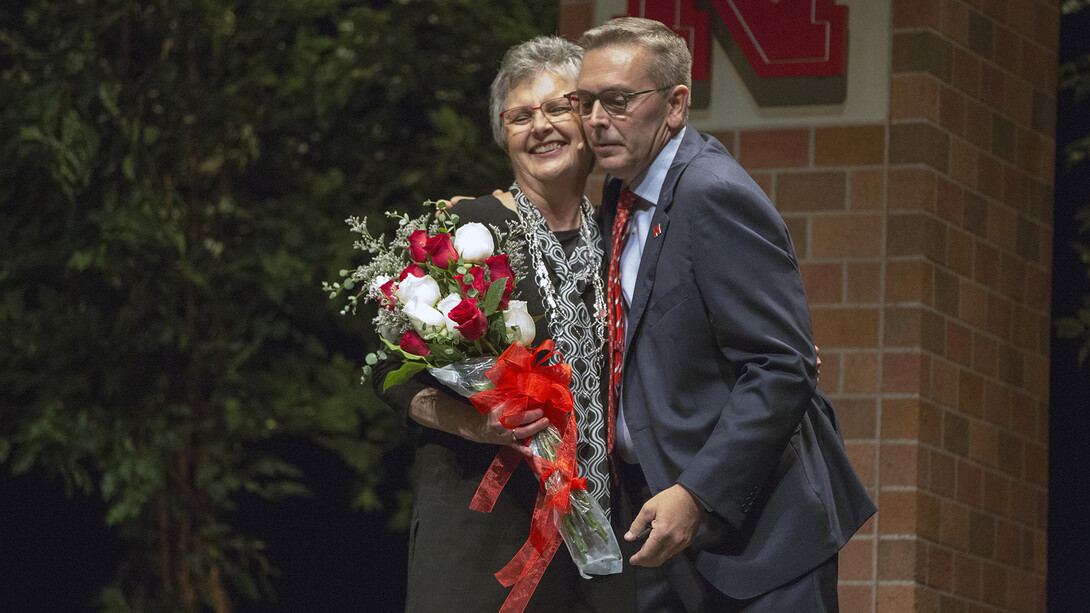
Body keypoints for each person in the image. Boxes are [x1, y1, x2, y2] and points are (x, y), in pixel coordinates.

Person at [567, 17, 876, 611]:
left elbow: (782, 367)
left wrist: (698, 493)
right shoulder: (620, 193)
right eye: (586, 102)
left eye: (619, 100)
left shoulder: (712, 193)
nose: (597, 120)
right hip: (663, 530)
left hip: (760, 542)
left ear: (676, 104)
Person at [372, 35, 633, 612]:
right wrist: (472, 424)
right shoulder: (466, 234)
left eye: (557, 107)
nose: (539, 126)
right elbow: (388, 375)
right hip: (482, 537)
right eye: (519, 116)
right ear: (503, 134)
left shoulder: (622, 234)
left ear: (588, 119)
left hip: (602, 537)